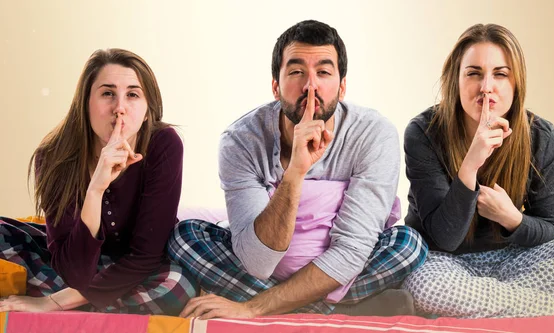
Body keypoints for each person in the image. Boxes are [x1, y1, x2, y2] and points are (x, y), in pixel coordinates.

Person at [168, 19, 428, 319]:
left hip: (328, 268)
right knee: (184, 236)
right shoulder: (240, 140)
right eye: (296, 72)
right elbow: (257, 262)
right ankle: (345, 308)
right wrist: (295, 172)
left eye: (323, 72)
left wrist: (252, 308)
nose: (310, 86)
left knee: (409, 245)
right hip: (265, 271)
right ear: (276, 86)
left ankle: (267, 306)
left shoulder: (373, 134)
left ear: (342, 86)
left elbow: (353, 249)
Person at [401, 23, 554, 318]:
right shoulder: (423, 132)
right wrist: (471, 164)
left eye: (500, 74)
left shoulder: (542, 137)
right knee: (428, 289)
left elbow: (549, 230)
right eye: (473, 73)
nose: (486, 86)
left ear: (516, 83)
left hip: (514, 261)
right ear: (455, 80)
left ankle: (489, 301)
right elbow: (445, 238)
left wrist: (512, 218)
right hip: (444, 262)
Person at [0, 48, 196, 315]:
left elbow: (145, 257)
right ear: (86, 103)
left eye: (133, 95)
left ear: (148, 110)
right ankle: (95, 301)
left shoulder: (164, 144)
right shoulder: (53, 156)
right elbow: (71, 270)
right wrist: (96, 188)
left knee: (176, 288)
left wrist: (52, 302)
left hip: (141, 270)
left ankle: (61, 300)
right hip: (75, 265)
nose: (120, 108)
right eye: (107, 94)